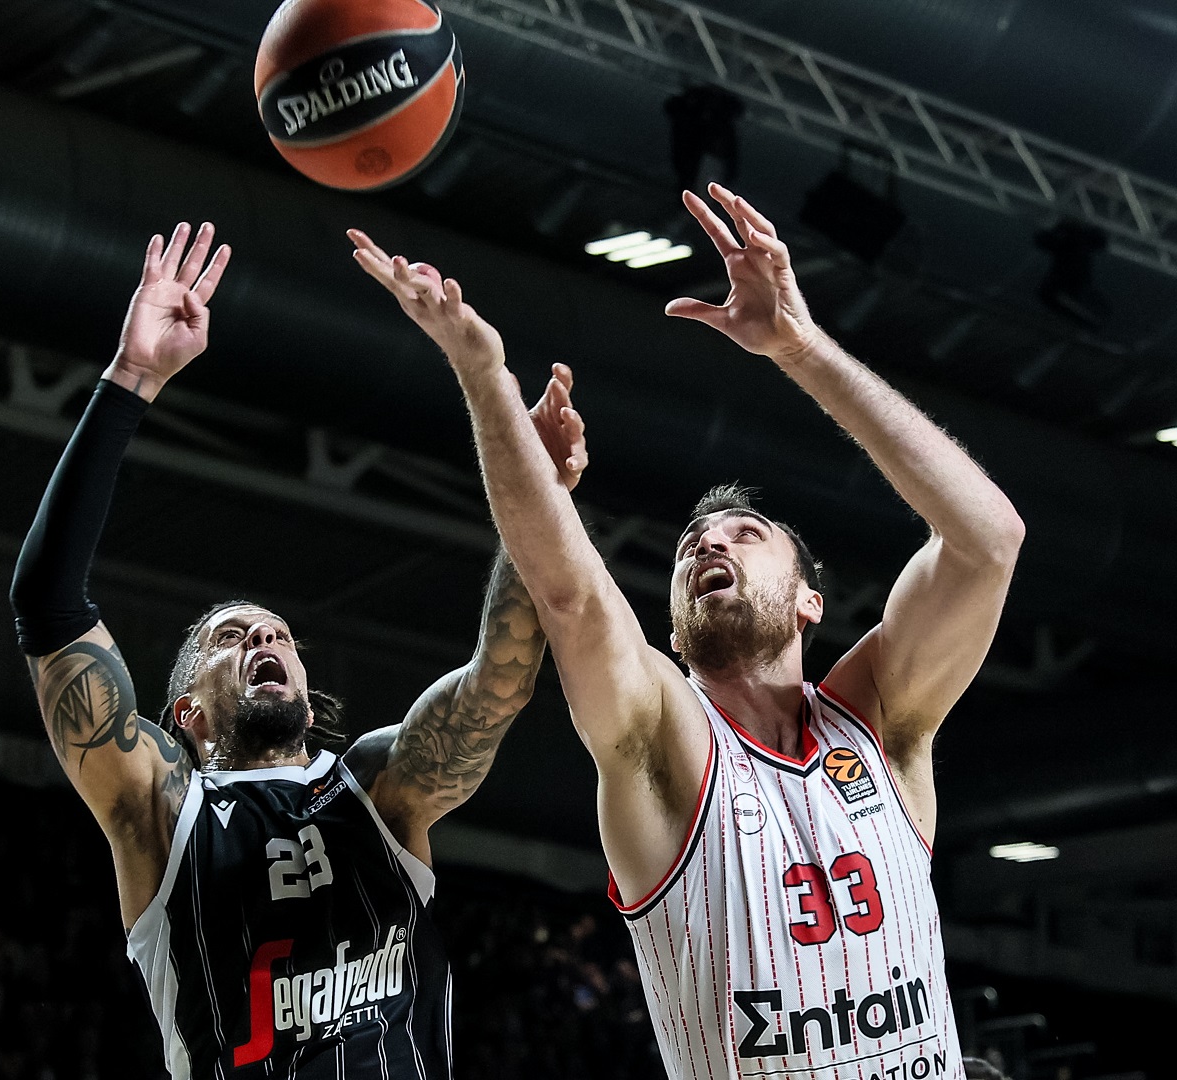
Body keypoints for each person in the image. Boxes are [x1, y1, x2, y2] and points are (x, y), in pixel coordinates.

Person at [351, 182, 1024, 1080]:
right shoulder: (666, 745)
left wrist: (801, 347)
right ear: (672, 628)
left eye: (746, 534)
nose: (710, 543)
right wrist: (486, 381)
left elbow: (988, 541)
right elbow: (569, 597)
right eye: (689, 547)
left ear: (811, 601)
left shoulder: (884, 724)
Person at [8, 221, 590, 1079]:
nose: (265, 636)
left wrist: (540, 490)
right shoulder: (162, 813)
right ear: (187, 714)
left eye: (279, 632)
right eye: (232, 637)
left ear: (310, 700)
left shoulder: (377, 789)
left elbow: (499, 680)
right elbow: (47, 605)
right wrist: (131, 377)